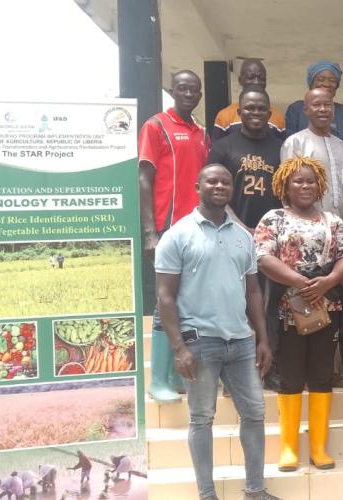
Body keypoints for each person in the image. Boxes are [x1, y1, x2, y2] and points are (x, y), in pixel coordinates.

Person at [155, 164, 278, 500]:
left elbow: (253, 292)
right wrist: (179, 348)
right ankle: (207, 494)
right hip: (199, 342)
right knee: (201, 418)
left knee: (254, 413)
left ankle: (255, 489)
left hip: (241, 342)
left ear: (231, 189)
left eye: (225, 181)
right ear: (198, 186)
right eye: (212, 180)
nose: (219, 185)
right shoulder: (178, 235)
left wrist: (262, 338)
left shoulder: (243, 237)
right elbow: (165, 297)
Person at [255, 157, 343, 472]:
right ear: (285, 184)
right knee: (291, 375)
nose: (305, 186)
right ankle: (288, 447)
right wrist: (300, 282)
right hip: (287, 309)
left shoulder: (333, 220)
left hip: (327, 307)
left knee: (322, 374)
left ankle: (319, 448)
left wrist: (327, 282)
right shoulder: (274, 218)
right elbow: (262, 257)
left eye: (310, 180)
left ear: (320, 185)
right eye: (297, 180)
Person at [139, 70, 209, 403]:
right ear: (172, 91)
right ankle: (158, 380)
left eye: (194, 89)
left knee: (186, 301)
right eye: (182, 88)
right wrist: (150, 232)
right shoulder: (156, 126)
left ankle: (175, 375)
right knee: (163, 300)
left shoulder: (201, 133)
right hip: (167, 228)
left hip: (195, 227)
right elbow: (144, 179)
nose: (188, 93)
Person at [208, 88, 285, 230]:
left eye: (261, 109)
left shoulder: (283, 149)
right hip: (230, 229)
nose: (256, 112)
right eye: (249, 108)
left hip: (274, 233)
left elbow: (288, 195)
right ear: (239, 113)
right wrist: (240, 226)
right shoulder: (222, 148)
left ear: (269, 114)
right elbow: (212, 193)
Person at [282, 89, 343, 219]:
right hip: (307, 227)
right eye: (316, 105)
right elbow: (286, 191)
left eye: (328, 105)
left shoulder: (342, 146)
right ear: (305, 110)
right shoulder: (295, 143)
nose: (323, 109)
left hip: (341, 226)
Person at [284, 60, 343, 158]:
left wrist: (339, 162)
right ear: (311, 82)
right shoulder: (296, 109)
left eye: (332, 81)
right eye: (321, 79)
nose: (326, 84)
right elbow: (291, 143)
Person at [212, 58, 285, 141]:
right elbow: (217, 149)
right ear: (240, 80)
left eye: (262, 78)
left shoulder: (278, 117)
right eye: (251, 77)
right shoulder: (225, 116)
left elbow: (282, 150)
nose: (256, 82)